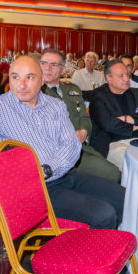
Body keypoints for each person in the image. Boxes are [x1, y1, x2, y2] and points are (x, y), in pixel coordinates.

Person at [0, 56, 125, 229]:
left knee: (125, 198)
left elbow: (71, 144)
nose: (21, 85)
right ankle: (93, 245)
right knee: (104, 214)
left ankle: (118, 242)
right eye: (15, 77)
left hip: (68, 174)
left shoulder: (55, 105)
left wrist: (50, 168)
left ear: (42, 80)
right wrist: (4, 175)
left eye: (29, 77)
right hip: (36, 189)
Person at [39, 49, 121, 183]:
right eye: (43, 63)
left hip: (80, 149)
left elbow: (83, 116)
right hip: (53, 153)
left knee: (113, 173)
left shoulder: (72, 89)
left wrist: (84, 131)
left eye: (53, 64)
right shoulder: (34, 93)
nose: (47, 68)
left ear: (63, 70)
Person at [89, 61, 138, 158]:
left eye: (127, 74)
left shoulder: (135, 93)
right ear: (109, 78)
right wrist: (134, 125)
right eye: (121, 76)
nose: (127, 78)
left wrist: (126, 118)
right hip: (112, 143)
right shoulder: (98, 96)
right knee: (137, 161)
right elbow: (108, 125)